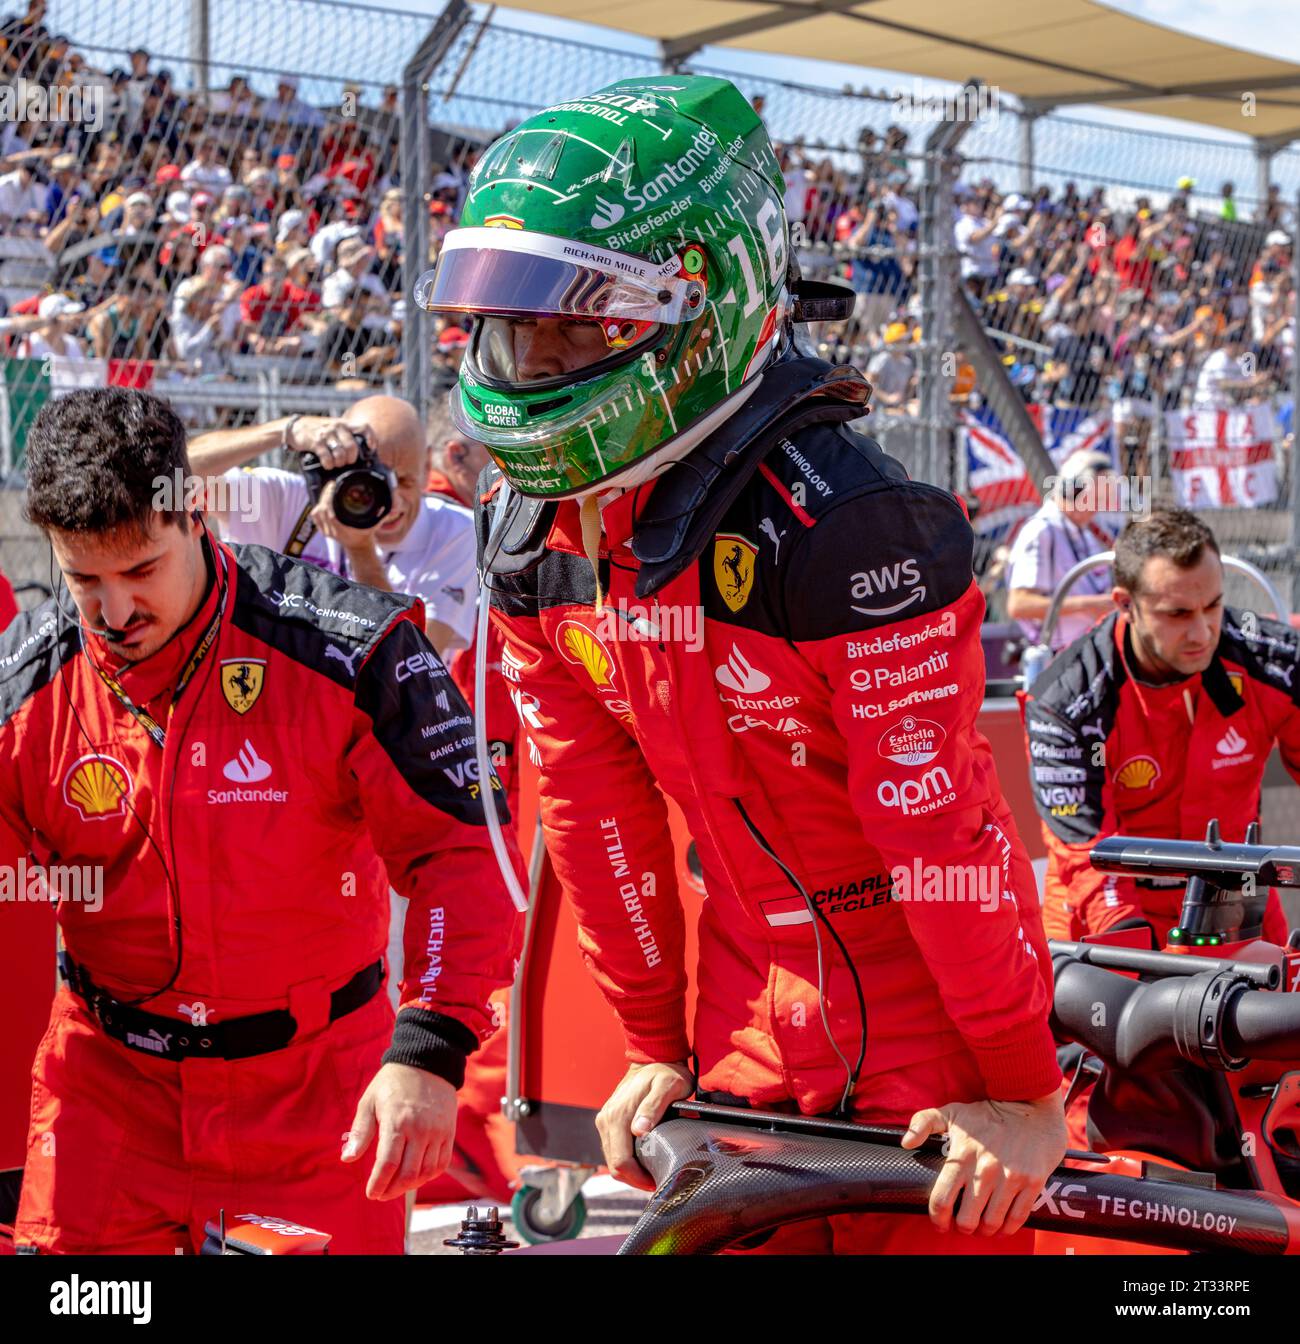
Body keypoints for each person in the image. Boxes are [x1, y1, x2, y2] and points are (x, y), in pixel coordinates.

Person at [420, 75, 1066, 1254]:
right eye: (510, 323)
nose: (528, 356)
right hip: (739, 1028)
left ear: (699, 304)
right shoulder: (537, 529)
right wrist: (651, 1043)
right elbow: (590, 810)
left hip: (938, 1051)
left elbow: (940, 832)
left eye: (577, 321)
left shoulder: (853, 528)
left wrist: (1026, 1093)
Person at [1, 387, 520, 1253]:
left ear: (194, 514)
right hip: (104, 1101)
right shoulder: (27, 691)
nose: (116, 611)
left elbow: (461, 852)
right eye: (84, 578)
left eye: (140, 570)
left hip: (317, 1100)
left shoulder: (351, 649)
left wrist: (429, 1047)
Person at [1023, 508, 1295, 950]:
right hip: (1105, 918)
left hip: (1235, 909)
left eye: (1213, 606)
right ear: (1124, 604)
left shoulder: (1273, 662)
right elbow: (1087, 858)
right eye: (1178, 613)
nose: (1202, 632)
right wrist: (1139, 961)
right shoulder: (1065, 700)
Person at [189, 395, 477, 658]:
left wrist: (360, 551)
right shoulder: (290, 501)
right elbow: (173, 479)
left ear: (427, 465)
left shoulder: (454, 532)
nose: (391, 503)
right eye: (370, 482)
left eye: (404, 481)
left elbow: (414, 662)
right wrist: (287, 430)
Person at [1005, 449, 1119, 653]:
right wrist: (1090, 604)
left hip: (1087, 648)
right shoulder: (1041, 531)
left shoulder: (1083, 532)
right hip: (1057, 654)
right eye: (1094, 499)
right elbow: (1019, 605)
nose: (1097, 507)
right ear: (1070, 490)